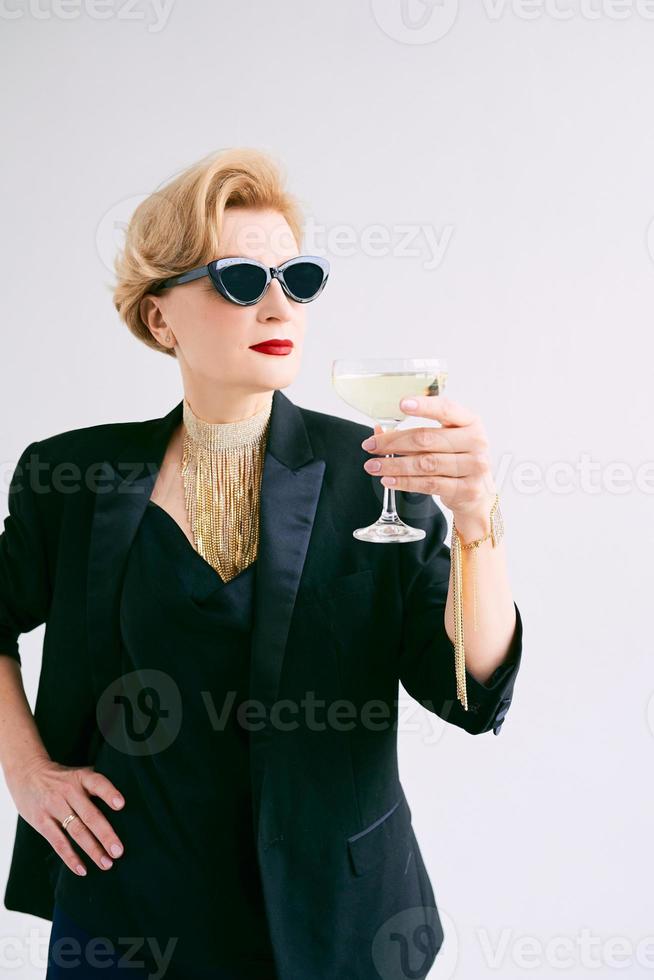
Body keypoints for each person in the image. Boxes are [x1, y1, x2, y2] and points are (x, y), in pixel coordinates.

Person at [0, 147, 524, 980]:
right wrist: (25, 772)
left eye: (299, 277)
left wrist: (476, 526)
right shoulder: (73, 476)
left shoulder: (374, 469)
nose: (278, 302)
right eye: (240, 280)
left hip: (335, 923)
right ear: (159, 317)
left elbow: (466, 688)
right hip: (128, 919)